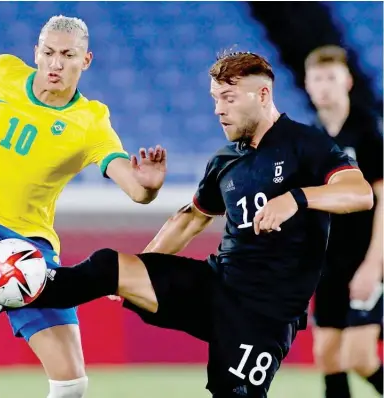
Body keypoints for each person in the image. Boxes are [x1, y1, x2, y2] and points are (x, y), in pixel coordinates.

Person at [20, 51, 375, 398]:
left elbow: (360, 193)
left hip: (264, 316)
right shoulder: (225, 159)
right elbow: (189, 220)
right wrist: (137, 268)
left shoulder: (306, 144)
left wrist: (295, 199)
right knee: (107, 265)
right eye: (215, 98)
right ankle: (19, 287)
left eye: (229, 98)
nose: (218, 109)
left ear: (263, 94)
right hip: (216, 285)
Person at [0, 15, 167, 398]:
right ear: (36, 54)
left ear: (85, 61)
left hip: (30, 245)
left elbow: (135, 190)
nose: (56, 64)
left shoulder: (91, 122)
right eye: (49, 53)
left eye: (68, 55)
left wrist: (149, 187)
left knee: (72, 382)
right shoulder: (2, 71)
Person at [304, 45, 384, 398]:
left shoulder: (367, 132)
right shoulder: (310, 139)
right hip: (328, 265)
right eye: (317, 79)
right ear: (307, 84)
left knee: (360, 356)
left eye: (331, 78)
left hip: (366, 259)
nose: (324, 86)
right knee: (328, 355)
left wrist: (373, 264)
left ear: (347, 81)